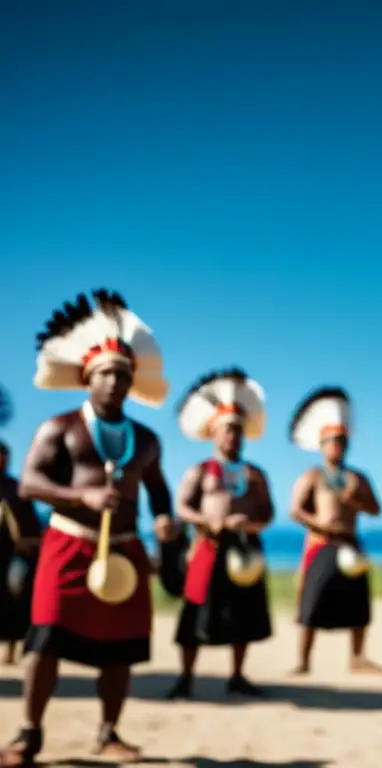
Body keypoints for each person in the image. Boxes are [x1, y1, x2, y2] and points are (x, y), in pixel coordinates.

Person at [1, 290, 175, 766]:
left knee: (120, 648)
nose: (116, 381)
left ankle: (109, 733)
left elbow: (158, 490)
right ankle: (28, 734)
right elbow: (31, 484)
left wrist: (163, 518)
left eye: (123, 373)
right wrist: (83, 496)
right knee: (45, 642)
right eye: (106, 373)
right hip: (68, 546)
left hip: (124, 550)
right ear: (86, 377)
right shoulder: (58, 428)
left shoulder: (147, 440)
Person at [165, 369, 274, 700]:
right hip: (207, 546)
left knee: (245, 613)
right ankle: (186, 677)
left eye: (239, 431)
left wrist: (248, 525)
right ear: (214, 433)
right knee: (195, 612)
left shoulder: (255, 475)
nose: (233, 437)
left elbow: (268, 513)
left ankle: (238, 675)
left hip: (244, 548)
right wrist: (209, 521)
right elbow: (182, 507)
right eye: (228, 430)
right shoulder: (199, 471)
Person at [287, 386, 382, 675]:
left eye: (342, 441)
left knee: (358, 605)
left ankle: (358, 658)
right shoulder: (313, 476)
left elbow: (375, 509)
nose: (337, 446)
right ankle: (304, 661)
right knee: (312, 603)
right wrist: (320, 525)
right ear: (322, 444)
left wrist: (356, 500)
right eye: (332, 441)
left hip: (351, 545)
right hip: (322, 544)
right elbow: (295, 510)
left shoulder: (357, 478)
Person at [0, 438, 43, 666]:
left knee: (17, 591)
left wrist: (29, 542)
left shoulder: (16, 489)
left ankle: (12, 647)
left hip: (15, 554)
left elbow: (30, 523)